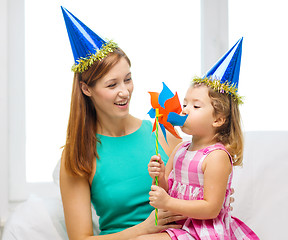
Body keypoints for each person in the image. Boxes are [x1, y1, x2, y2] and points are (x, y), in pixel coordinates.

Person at [59, 7, 186, 240]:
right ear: (86, 89)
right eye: (111, 85)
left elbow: (197, 187)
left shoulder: (162, 133)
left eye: (128, 79)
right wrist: (144, 229)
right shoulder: (78, 156)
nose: (124, 92)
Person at [135, 38, 259, 239]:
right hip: (179, 226)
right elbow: (167, 189)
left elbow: (211, 208)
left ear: (218, 119)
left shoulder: (216, 157)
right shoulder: (181, 149)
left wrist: (167, 203)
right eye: (185, 104)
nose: (184, 110)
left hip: (204, 232)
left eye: (195, 106)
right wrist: (158, 177)